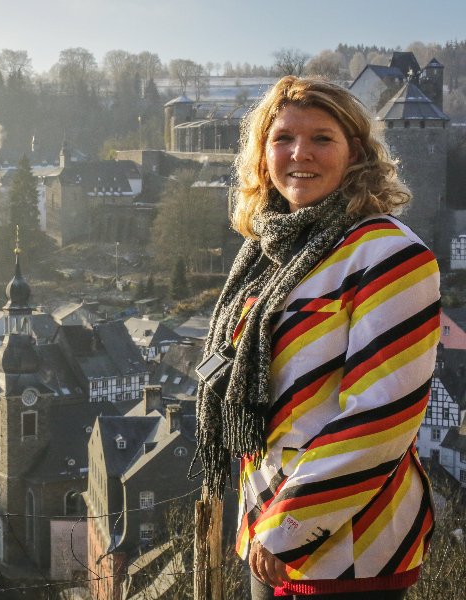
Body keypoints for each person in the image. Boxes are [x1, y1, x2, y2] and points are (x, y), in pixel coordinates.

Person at [196, 76, 440, 599]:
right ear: (262, 155)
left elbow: (383, 413)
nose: (299, 153)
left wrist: (291, 524)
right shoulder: (269, 251)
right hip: (265, 525)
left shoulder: (388, 253)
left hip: (349, 542)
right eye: (282, 138)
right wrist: (267, 524)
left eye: (322, 139)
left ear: (356, 153)